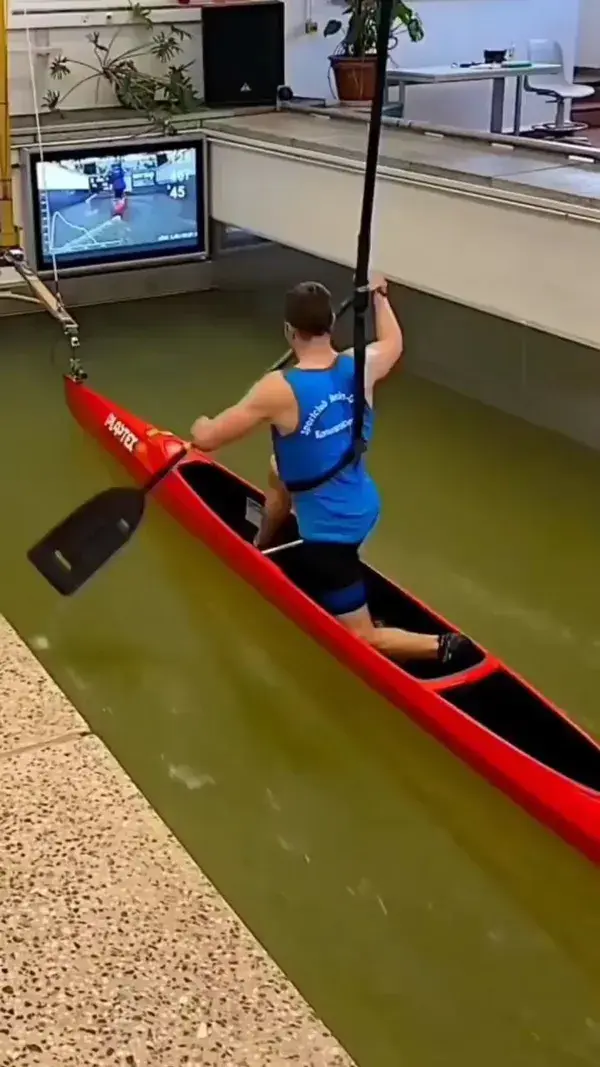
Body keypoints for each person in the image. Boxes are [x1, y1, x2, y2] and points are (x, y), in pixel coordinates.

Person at [190, 277, 470, 666]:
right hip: (365, 506)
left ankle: (442, 647)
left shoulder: (277, 388)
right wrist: (379, 299)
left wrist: (200, 425)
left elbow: (208, 440)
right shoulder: (359, 365)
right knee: (278, 470)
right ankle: (262, 545)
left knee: (361, 637)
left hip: (328, 535)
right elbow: (394, 343)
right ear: (330, 326)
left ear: (289, 330)